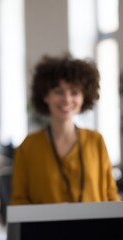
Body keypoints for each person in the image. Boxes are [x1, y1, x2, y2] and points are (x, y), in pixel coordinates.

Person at [10, 53, 121, 205]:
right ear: (45, 96)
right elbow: (19, 201)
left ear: (84, 97)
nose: (67, 99)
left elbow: (111, 196)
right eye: (58, 91)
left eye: (74, 92)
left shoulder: (96, 141)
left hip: (95, 229)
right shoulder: (28, 146)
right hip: (46, 229)